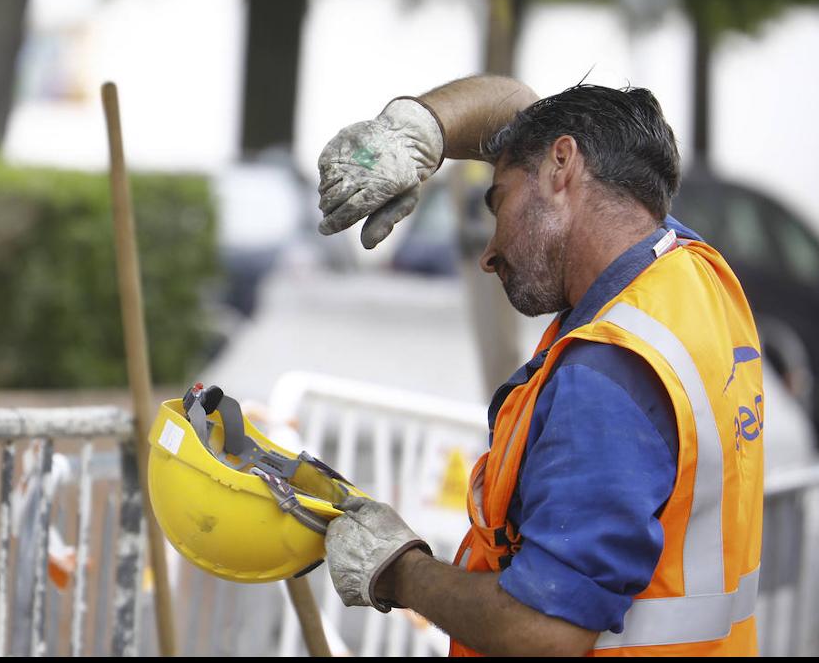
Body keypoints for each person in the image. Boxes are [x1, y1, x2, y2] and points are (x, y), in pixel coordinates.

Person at [316, 76, 764, 656]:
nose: (488, 253)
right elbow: (521, 108)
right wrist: (415, 131)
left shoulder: (608, 372)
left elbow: (543, 633)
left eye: (497, 200)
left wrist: (396, 571)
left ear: (562, 166)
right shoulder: (688, 274)